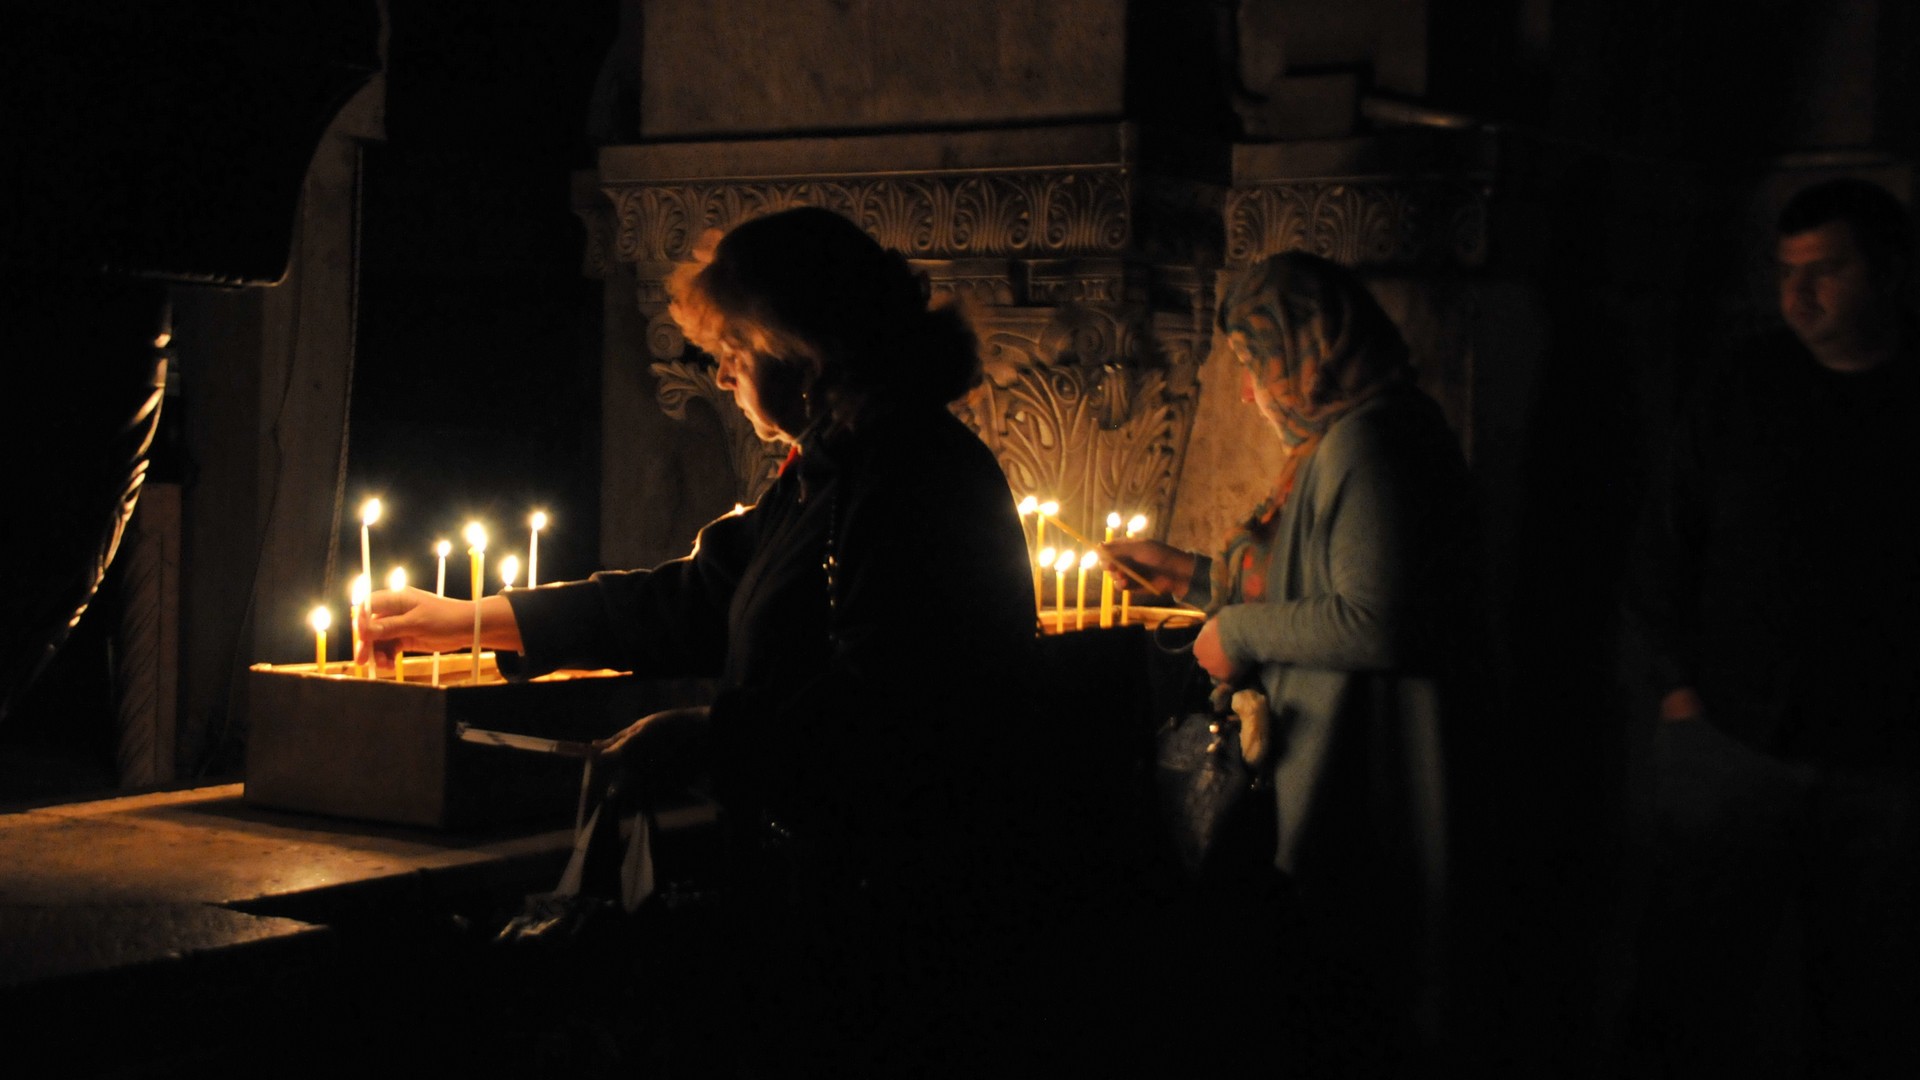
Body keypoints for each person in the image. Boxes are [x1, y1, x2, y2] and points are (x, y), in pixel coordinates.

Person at [356, 206, 1047, 1075]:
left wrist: (698, 737)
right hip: (823, 899)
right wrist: (473, 619)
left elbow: (891, 712)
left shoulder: (912, 481)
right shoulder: (836, 467)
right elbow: (696, 598)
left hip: (891, 926)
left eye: (736, 351)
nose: (721, 376)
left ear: (803, 349)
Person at [1101, 251, 1486, 1071]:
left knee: (1352, 998)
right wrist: (1189, 575)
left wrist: (1235, 633)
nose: (1247, 391)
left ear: (1313, 348)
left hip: (1364, 770)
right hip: (1329, 754)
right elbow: (1310, 580)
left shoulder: (1371, 444)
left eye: (1254, 362)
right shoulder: (1344, 439)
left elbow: (1378, 620)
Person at [1623, 177, 1920, 1078]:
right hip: (1731, 738)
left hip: (1882, 757)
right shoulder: (1744, 387)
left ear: (1886, 272)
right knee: (1694, 984)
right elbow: (1666, 540)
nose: (1799, 295)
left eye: (1825, 271)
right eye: (1787, 271)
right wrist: (1679, 693)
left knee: (1863, 997)